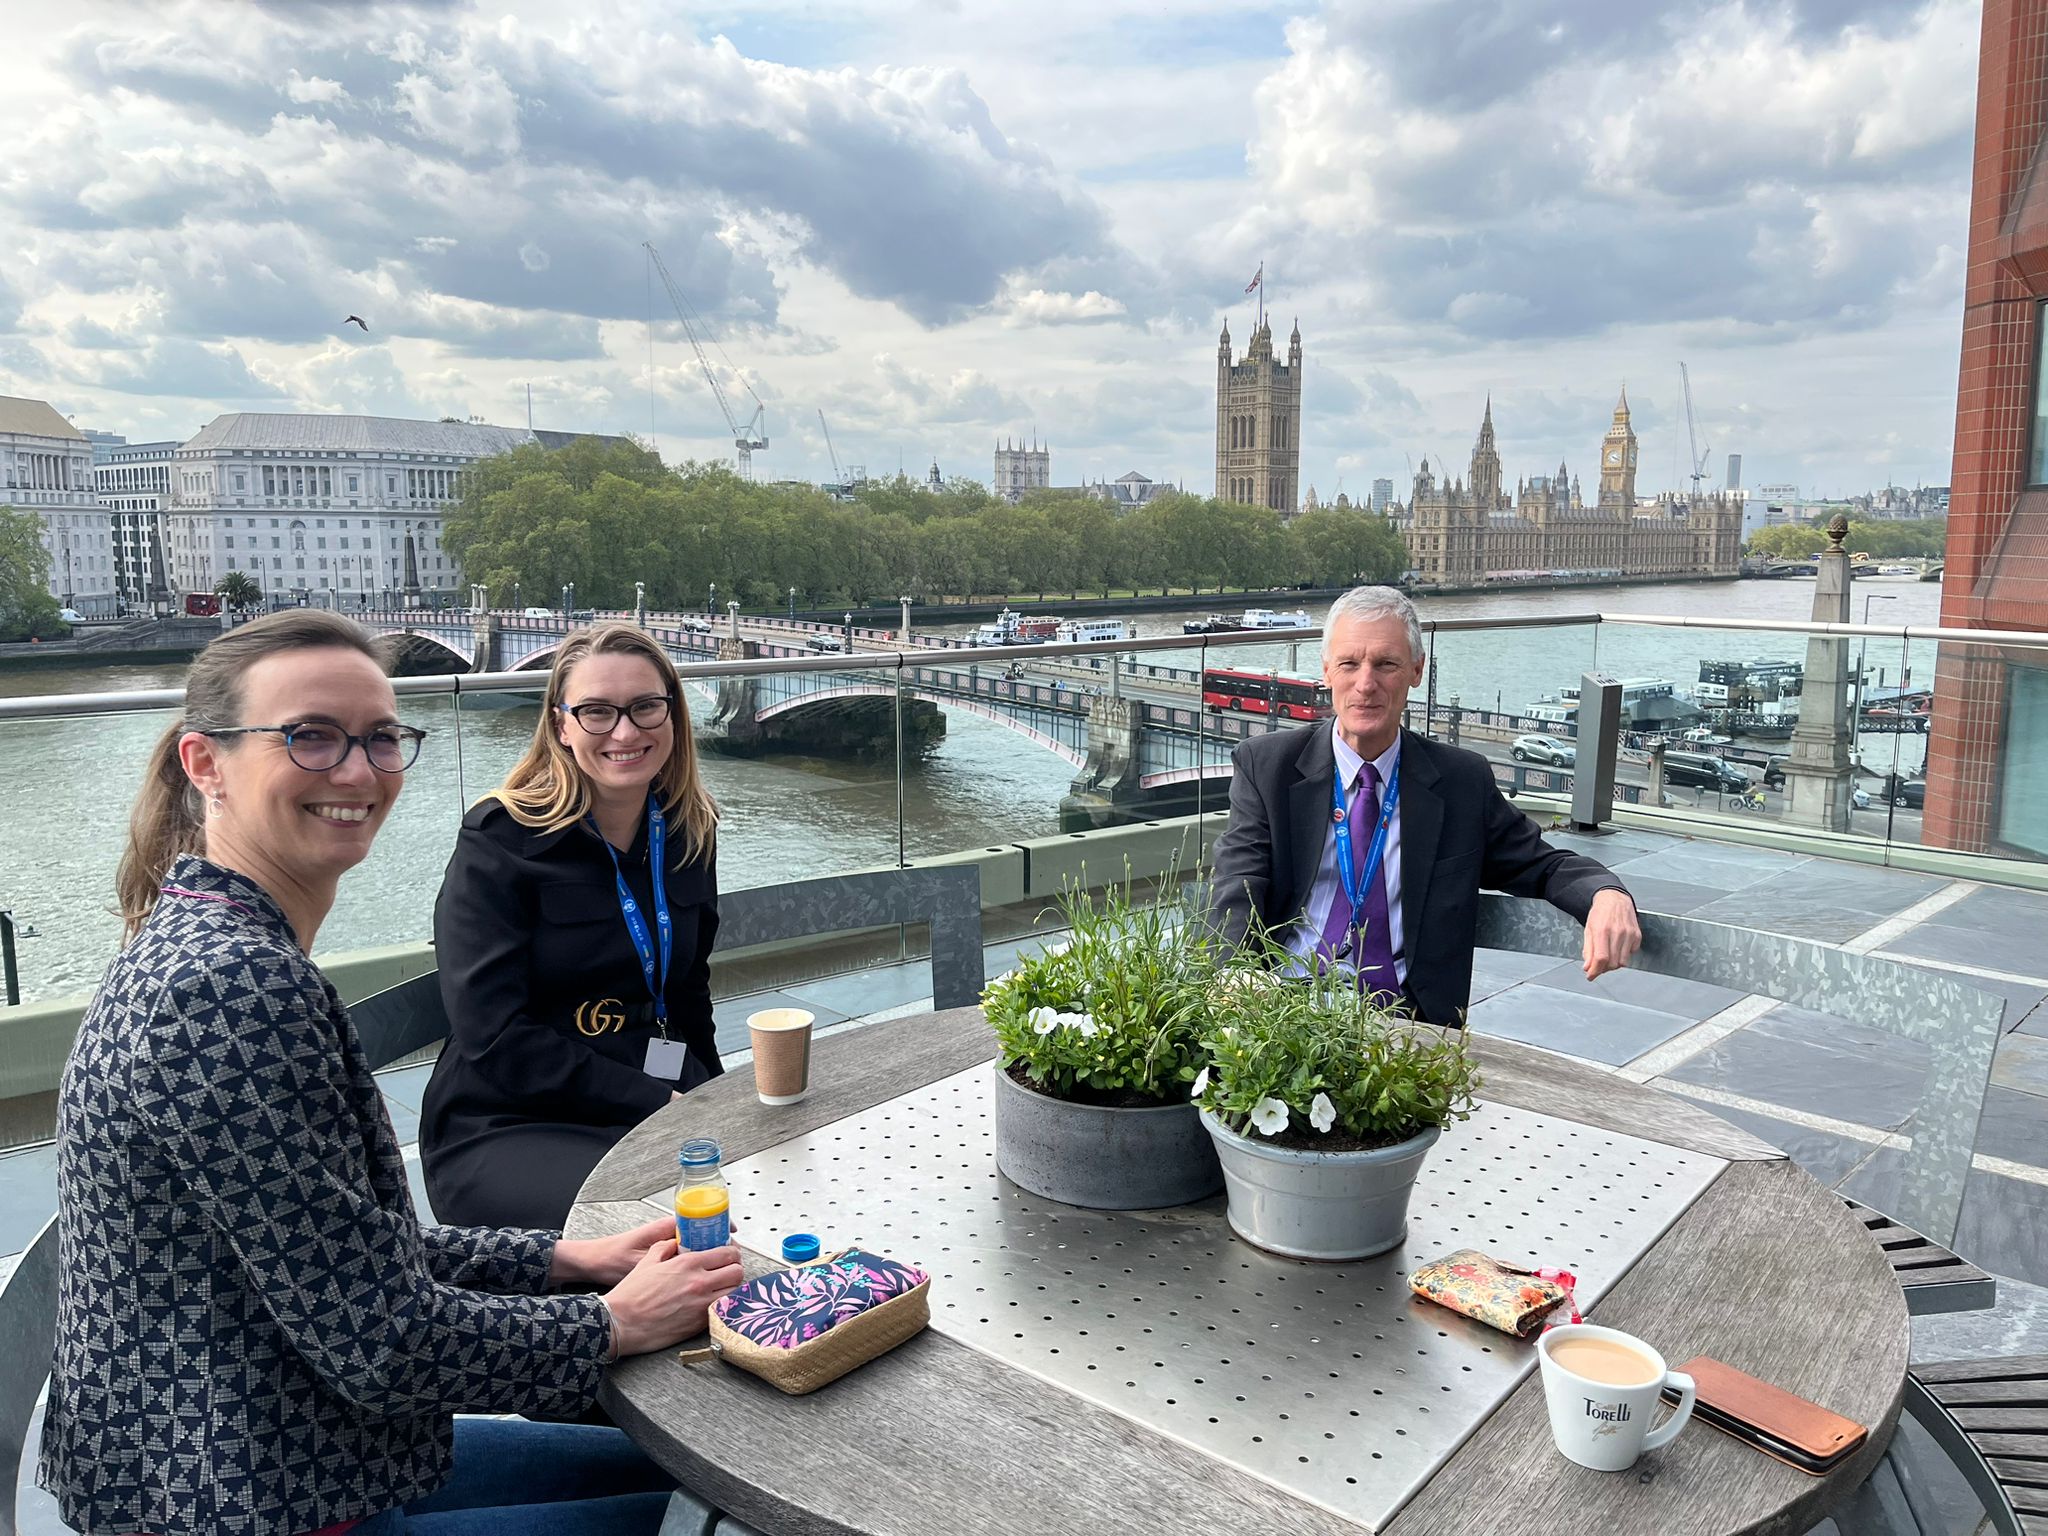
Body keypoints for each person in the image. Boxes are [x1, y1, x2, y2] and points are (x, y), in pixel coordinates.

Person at [39, 610, 743, 1536]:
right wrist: (612, 1324)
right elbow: (381, 1341)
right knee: (729, 1512)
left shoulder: (212, 943)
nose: (360, 772)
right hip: (245, 1495)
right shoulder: (230, 994)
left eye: (380, 739)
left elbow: (345, 1252)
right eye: (311, 738)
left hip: (289, 1436)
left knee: (700, 1481)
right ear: (204, 763)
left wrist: (567, 1257)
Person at [1208, 585, 1642, 1024]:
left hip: (1407, 1019)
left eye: (1386, 664)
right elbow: (1236, 886)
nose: (1365, 683)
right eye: (1349, 663)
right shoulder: (1267, 767)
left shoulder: (1460, 782)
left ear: (1416, 670)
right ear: (1326, 671)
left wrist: (1606, 893)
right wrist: (1232, 983)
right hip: (1281, 1008)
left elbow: (1544, 865)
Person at [421, 622, 720, 1231]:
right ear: (561, 725)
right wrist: (656, 1103)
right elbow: (493, 1035)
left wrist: (718, 1095)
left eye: (645, 707)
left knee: (781, 1173)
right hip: (508, 1122)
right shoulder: (500, 840)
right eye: (597, 712)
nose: (626, 731)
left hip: (651, 1092)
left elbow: (688, 991)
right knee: (666, 1225)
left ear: (673, 714)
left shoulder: (688, 829)